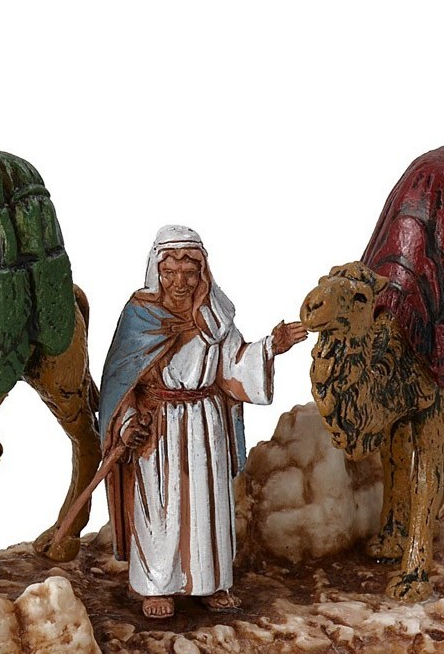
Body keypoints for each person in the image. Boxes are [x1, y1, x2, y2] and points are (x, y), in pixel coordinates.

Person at [98, 226, 306, 618]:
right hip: (158, 425)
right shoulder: (140, 316)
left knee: (206, 506)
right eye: (170, 273)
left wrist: (271, 347)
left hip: (204, 427)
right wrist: (127, 423)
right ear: (157, 272)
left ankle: (209, 582)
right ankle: (157, 585)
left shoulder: (215, 316)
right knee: (160, 509)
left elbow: (234, 368)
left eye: (189, 273)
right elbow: (121, 382)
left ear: (202, 273)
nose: (180, 282)